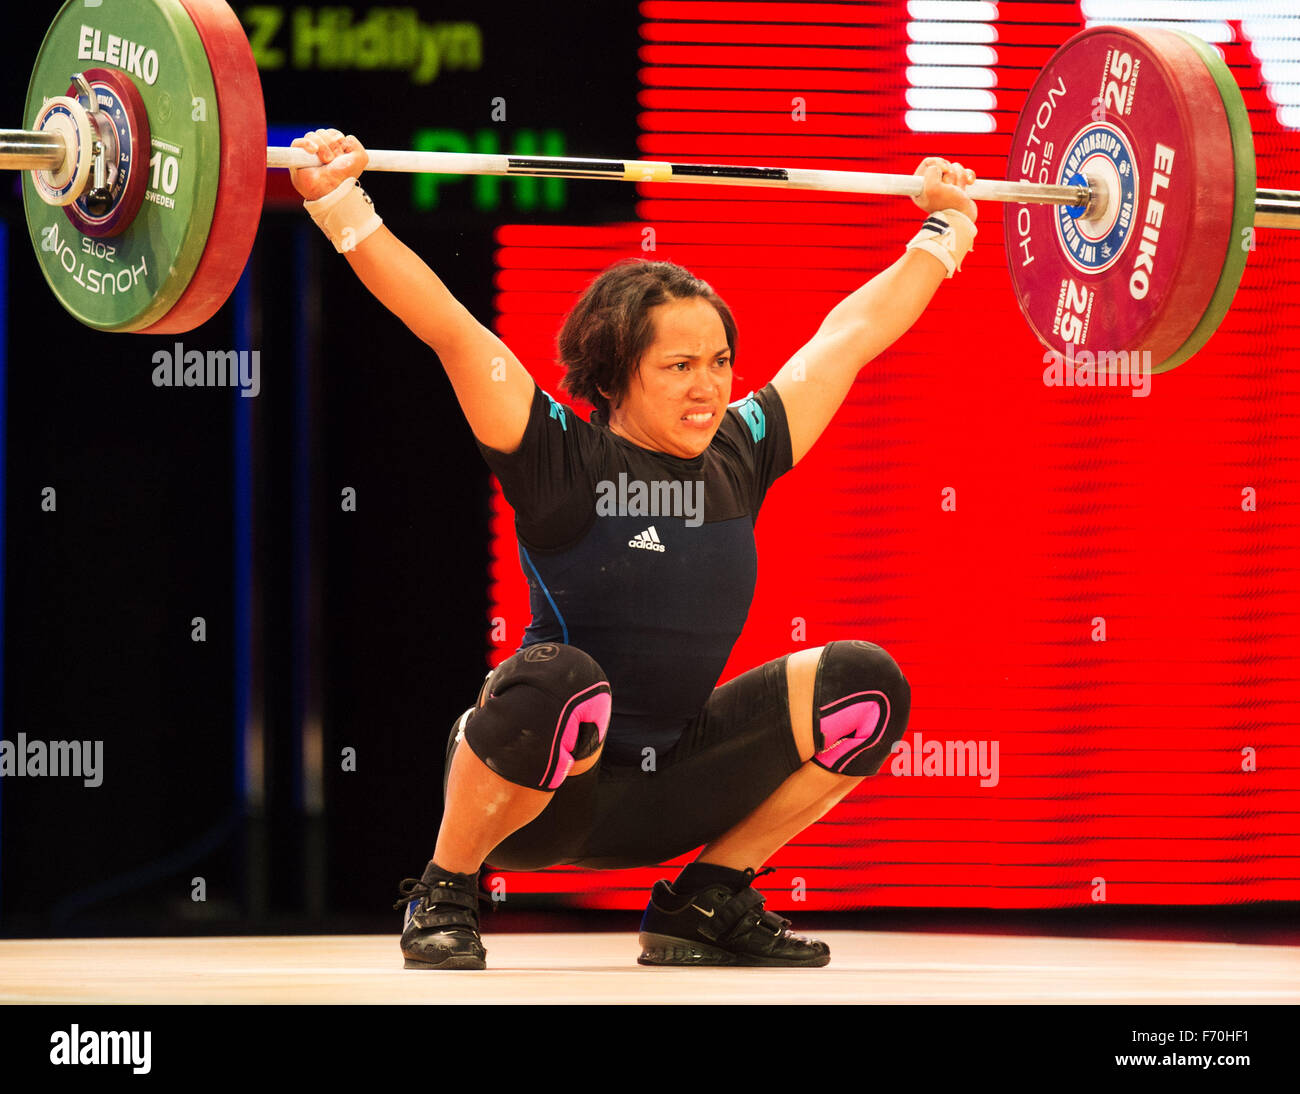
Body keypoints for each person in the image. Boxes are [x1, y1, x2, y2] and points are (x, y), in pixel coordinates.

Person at [289, 130, 978, 969]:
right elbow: (449, 328)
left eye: (720, 361)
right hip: (546, 796)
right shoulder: (559, 457)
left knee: (864, 690)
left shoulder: (743, 445)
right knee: (561, 678)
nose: (709, 386)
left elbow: (851, 334)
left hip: (676, 789)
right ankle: (445, 890)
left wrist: (943, 233)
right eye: (679, 365)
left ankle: (705, 898)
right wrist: (336, 203)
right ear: (614, 377)